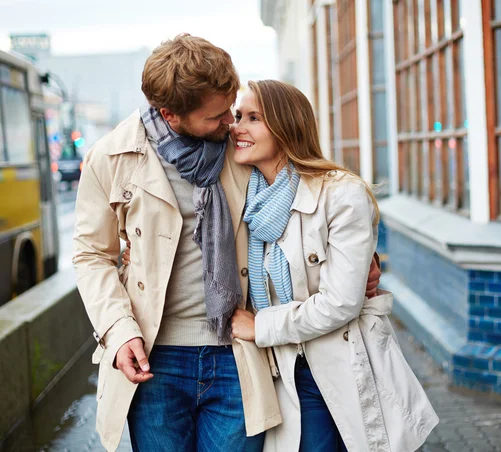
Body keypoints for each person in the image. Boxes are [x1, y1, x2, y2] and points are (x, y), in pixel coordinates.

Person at [73, 34, 381, 452]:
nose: (230, 125)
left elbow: (303, 204)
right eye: (218, 116)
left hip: (239, 354)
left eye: (234, 111)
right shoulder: (110, 158)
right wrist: (118, 330)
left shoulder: (241, 153)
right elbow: (92, 254)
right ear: (170, 114)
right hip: (154, 360)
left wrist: (363, 259)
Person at [225, 80, 439, 452]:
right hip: (280, 370)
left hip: (338, 364)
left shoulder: (340, 193)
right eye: (237, 116)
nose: (237, 127)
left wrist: (260, 325)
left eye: (253, 118)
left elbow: (341, 302)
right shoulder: (244, 198)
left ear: (286, 125)